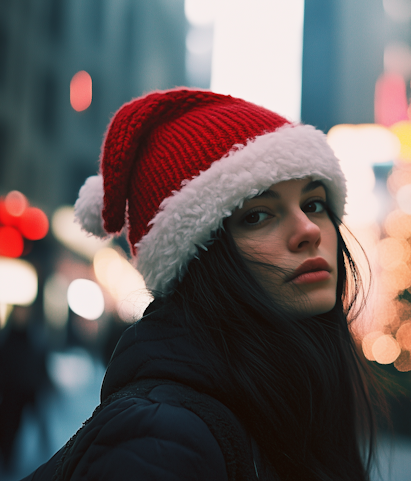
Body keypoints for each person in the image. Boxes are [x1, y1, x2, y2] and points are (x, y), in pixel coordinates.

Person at [23, 89, 382, 481]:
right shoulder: (160, 440)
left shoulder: (301, 401)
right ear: (197, 256)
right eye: (258, 215)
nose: (309, 230)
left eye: (313, 204)